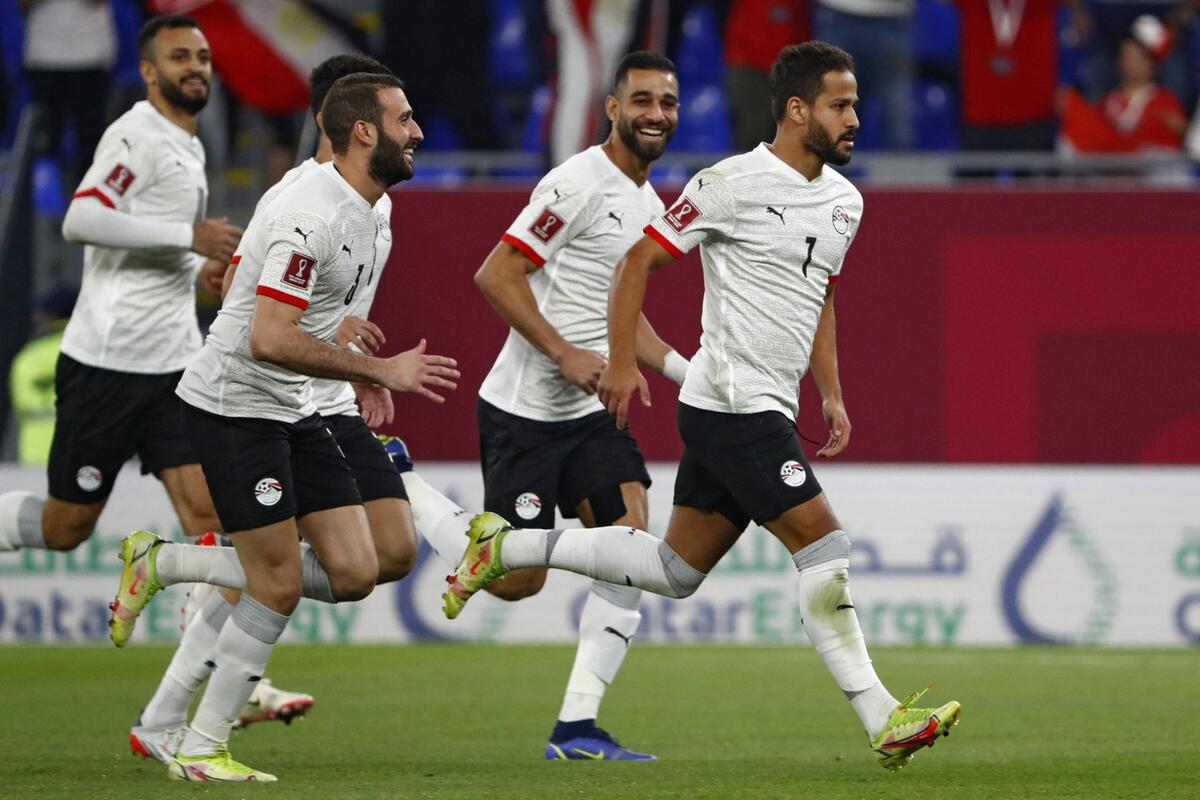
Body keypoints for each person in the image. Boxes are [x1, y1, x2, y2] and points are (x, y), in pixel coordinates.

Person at [442, 42, 961, 772]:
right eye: (841, 105)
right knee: (824, 546)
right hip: (731, 405)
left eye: (854, 105)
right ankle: (883, 717)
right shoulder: (727, 184)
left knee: (674, 570)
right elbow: (636, 263)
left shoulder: (848, 201)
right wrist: (623, 361)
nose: (854, 119)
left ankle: (508, 548)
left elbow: (821, 295)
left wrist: (831, 390)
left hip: (768, 404)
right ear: (797, 110)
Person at [107, 72, 458, 782]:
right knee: (279, 583)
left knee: (358, 571)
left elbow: (307, 314)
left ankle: (168, 564)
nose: (418, 132)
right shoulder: (309, 211)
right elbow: (266, 335)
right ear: (364, 130)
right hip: (236, 404)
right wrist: (380, 369)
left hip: (298, 403)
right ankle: (201, 746)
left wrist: (356, 370)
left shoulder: (376, 210)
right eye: (405, 119)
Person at [419, 51, 690, 762]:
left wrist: (686, 373)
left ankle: (576, 728)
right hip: (525, 412)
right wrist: (567, 354)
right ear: (612, 107)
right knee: (518, 582)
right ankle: (401, 485)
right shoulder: (576, 182)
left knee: (630, 546)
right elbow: (497, 274)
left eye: (667, 102)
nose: (655, 113)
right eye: (641, 100)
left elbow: (623, 315)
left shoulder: (649, 204)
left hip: (592, 413)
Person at [0, 15, 239, 559]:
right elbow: (82, 219)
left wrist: (193, 264)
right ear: (149, 72)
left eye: (202, 57)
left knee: (207, 514)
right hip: (110, 364)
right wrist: (188, 237)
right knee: (66, 528)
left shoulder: (188, 143)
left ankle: (197, 620)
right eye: (180, 57)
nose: (196, 67)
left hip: (175, 364)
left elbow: (149, 236)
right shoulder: (136, 137)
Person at [8, 285, 76, 466]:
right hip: (89, 455)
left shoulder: (30, 357)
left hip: (37, 457)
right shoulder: (98, 356)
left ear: (51, 317)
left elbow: (22, 404)